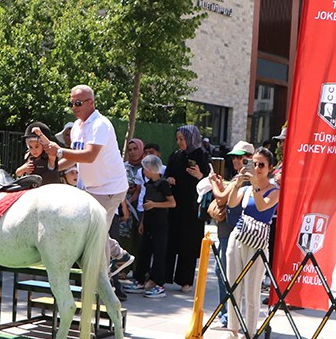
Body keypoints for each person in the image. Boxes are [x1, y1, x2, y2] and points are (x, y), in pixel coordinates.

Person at [36, 85, 134, 277]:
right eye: (71, 103)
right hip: (93, 189)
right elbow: (74, 158)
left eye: (78, 103)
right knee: (90, 230)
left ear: (91, 103)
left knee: (94, 234)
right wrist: (52, 169)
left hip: (110, 189)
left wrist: (59, 151)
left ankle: (101, 279)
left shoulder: (100, 124)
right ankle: (118, 256)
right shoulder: (77, 127)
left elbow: (89, 156)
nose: (74, 107)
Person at [216, 147, 279, 339]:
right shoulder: (245, 188)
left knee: (252, 291)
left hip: (258, 243)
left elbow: (262, 207)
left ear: (270, 168)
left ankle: (249, 334)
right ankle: (232, 331)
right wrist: (237, 183)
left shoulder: (274, 190)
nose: (257, 168)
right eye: (254, 163)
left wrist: (255, 185)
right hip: (238, 237)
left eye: (262, 165)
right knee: (233, 286)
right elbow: (232, 203)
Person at [206, 141, 254, 327]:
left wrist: (214, 184)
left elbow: (221, 197)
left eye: (240, 157)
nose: (236, 160)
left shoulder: (244, 177)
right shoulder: (241, 177)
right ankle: (228, 315)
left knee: (227, 274)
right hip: (230, 230)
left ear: (249, 157)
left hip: (234, 232)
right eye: (234, 157)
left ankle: (228, 316)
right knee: (224, 273)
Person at [163, 125, 211, 293]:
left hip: (192, 206)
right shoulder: (176, 155)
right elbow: (167, 172)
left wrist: (199, 175)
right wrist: (169, 178)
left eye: (182, 139)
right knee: (171, 241)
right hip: (175, 205)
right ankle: (165, 276)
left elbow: (209, 179)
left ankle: (186, 281)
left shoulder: (201, 154)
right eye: (178, 139)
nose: (179, 142)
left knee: (188, 243)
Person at [133, 154, 175, 298]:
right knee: (144, 252)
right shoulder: (149, 184)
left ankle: (159, 284)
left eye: (145, 169)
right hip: (149, 223)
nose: (143, 172)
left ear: (151, 169)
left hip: (160, 224)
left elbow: (172, 203)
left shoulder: (162, 184)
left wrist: (155, 205)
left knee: (158, 254)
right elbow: (146, 204)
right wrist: (143, 222)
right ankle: (140, 280)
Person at [14, 121, 63, 186]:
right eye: (31, 147)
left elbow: (49, 146)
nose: (34, 150)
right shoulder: (29, 158)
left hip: (49, 192)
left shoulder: (50, 158)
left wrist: (41, 135)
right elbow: (17, 173)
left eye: (37, 146)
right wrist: (24, 168)